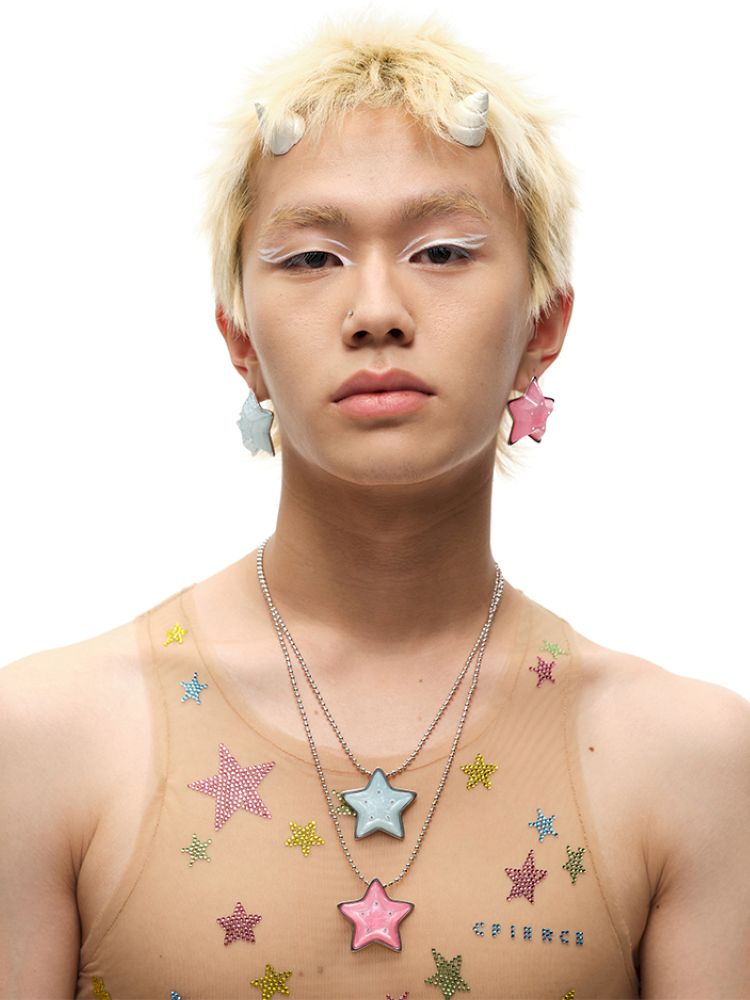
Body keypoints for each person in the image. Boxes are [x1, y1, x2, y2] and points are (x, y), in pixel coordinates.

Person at [1, 14, 748, 1000]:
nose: (377, 312)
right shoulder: (47, 740)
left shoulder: (689, 762)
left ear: (543, 325)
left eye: (442, 251)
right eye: (312, 259)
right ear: (239, 338)